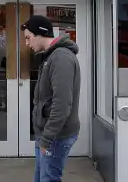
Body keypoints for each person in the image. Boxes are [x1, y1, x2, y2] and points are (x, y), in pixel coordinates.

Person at [21, 15, 81, 182]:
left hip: (55, 136)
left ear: (40, 34)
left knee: (49, 179)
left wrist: (47, 138)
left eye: (28, 38)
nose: (27, 43)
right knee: (41, 178)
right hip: (47, 134)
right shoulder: (50, 57)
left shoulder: (60, 58)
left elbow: (62, 104)